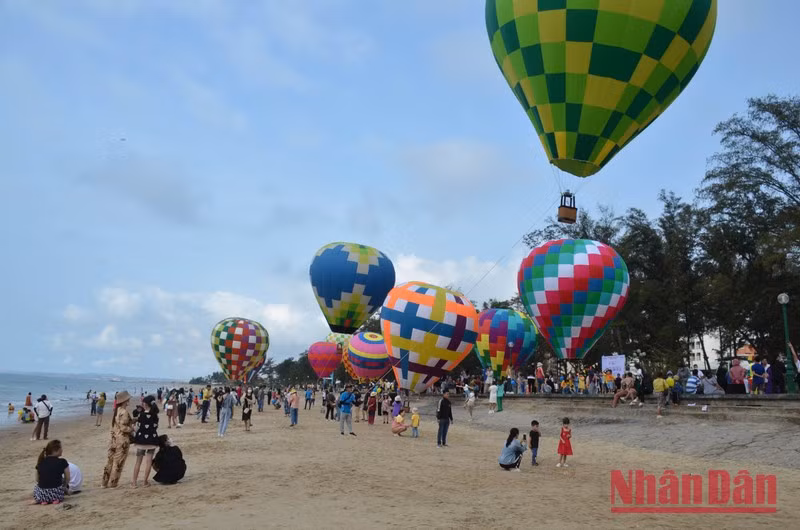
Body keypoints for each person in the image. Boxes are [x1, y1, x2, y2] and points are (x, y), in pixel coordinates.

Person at [102, 391, 133, 488]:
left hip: (113, 439)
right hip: (122, 440)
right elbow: (124, 428)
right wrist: (132, 429)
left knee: (110, 461)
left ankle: (104, 482)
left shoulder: (117, 410)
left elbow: (117, 425)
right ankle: (113, 483)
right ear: (125, 400)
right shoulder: (124, 412)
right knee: (118, 463)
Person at [131, 395, 160, 488]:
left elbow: (138, 427)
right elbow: (155, 426)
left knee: (138, 462)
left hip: (141, 441)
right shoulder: (155, 415)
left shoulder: (141, 415)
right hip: (152, 440)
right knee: (148, 462)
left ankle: (134, 483)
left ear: (145, 404)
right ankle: (145, 482)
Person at [33, 440, 70, 504]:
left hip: (42, 495)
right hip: (57, 494)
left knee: (37, 487)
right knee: (61, 480)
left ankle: (44, 501)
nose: (62, 450)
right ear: (56, 450)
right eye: (61, 448)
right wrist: (64, 487)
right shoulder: (62, 461)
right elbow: (67, 478)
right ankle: (55, 500)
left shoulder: (40, 461)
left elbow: (37, 479)